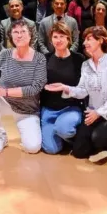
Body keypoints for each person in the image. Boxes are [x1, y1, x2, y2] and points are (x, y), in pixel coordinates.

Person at [0, 19, 46, 154]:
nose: (19, 35)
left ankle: (29, 130)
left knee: (33, 148)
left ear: (30, 35)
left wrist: (3, 91)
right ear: (11, 36)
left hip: (27, 109)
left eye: (23, 32)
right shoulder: (4, 54)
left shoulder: (40, 58)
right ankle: (1, 136)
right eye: (15, 32)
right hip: (6, 103)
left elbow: (35, 88)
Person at [69, 26, 107, 161]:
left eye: (89, 39)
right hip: (92, 113)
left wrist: (98, 112)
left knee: (98, 137)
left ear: (100, 40)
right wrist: (67, 89)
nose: (84, 43)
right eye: (84, 40)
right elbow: (82, 91)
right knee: (79, 152)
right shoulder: (85, 65)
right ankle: (97, 139)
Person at [40, 22, 86, 154]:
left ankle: (69, 135)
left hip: (70, 108)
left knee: (64, 128)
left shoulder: (78, 59)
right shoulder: (45, 59)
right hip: (48, 110)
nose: (58, 40)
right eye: (55, 37)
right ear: (51, 39)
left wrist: (65, 88)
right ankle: (62, 138)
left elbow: (82, 87)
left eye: (62, 36)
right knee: (51, 149)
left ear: (68, 39)